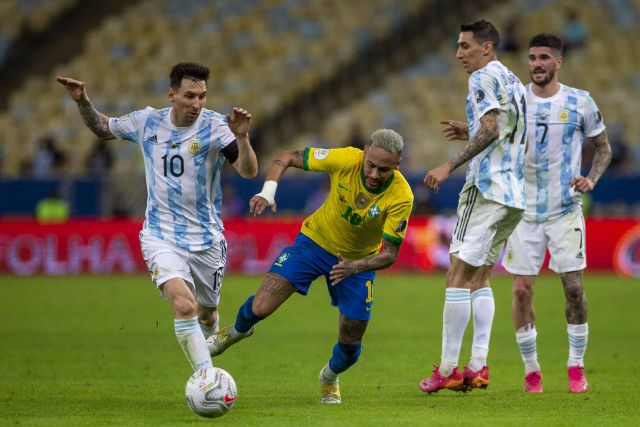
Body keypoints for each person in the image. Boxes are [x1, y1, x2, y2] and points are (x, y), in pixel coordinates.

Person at [56, 62, 258, 374]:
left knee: (205, 315)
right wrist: (82, 100)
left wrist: (243, 139)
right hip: (160, 236)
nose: (197, 104)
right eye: (190, 96)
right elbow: (102, 127)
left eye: (202, 96)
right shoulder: (146, 121)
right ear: (172, 95)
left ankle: (209, 343)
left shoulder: (217, 126)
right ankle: (206, 379)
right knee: (183, 305)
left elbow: (248, 172)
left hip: (207, 239)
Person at [207, 129, 414, 404]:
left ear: (397, 165)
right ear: (364, 153)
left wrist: (354, 267)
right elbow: (285, 157)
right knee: (261, 306)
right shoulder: (345, 159)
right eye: (371, 165)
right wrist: (268, 192)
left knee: (351, 342)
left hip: (356, 262)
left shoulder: (402, 196)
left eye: (384, 170)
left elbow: (390, 254)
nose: (375, 174)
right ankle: (236, 331)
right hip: (314, 242)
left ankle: (329, 377)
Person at [419, 20, 527, 394]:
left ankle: (448, 369)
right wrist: (471, 128)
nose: (459, 54)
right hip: (514, 194)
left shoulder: (481, 78)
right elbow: (508, 128)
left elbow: (492, 129)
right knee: (480, 278)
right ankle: (478, 367)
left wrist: (449, 164)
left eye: (465, 46)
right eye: (458, 46)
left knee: (457, 276)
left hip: (486, 188)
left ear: (487, 47)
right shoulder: (512, 79)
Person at [502, 33, 611, 394]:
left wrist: (591, 178)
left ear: (558, 62)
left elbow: (603, 148)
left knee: (575, 289)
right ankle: (532, 371)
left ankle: (576, 367)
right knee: (520, 291)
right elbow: (494, 135)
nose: (536, 63)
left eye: (544, 57)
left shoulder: (580, 102)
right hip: (524, 212)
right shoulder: (516, 99)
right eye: (532, 57)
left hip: (565, 210)